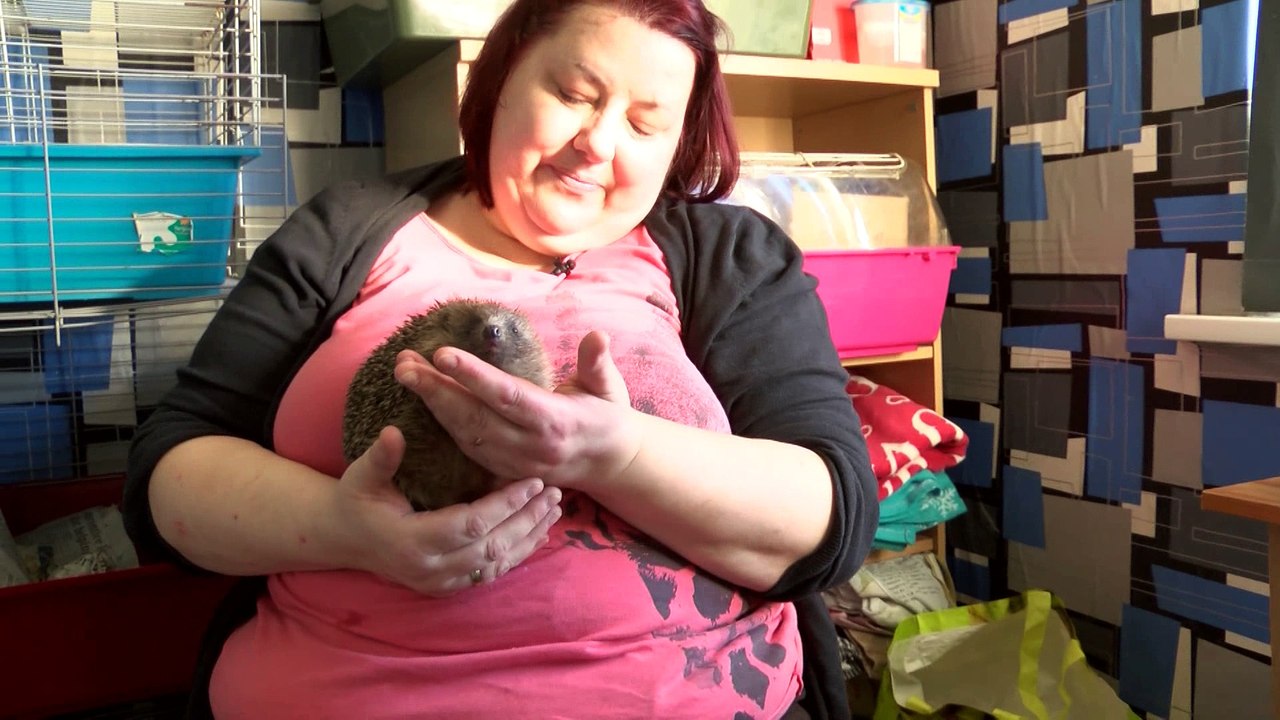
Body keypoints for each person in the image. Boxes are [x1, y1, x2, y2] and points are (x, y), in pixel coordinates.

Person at [122, 0, 879, 717]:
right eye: (575, 92)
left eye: (647, 125)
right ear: (503, 77)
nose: (599, 142)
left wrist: (614, 456)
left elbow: (831, 521)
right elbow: (170, 472)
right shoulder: (347, 229)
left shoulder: (728, 257)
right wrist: (346, 530)